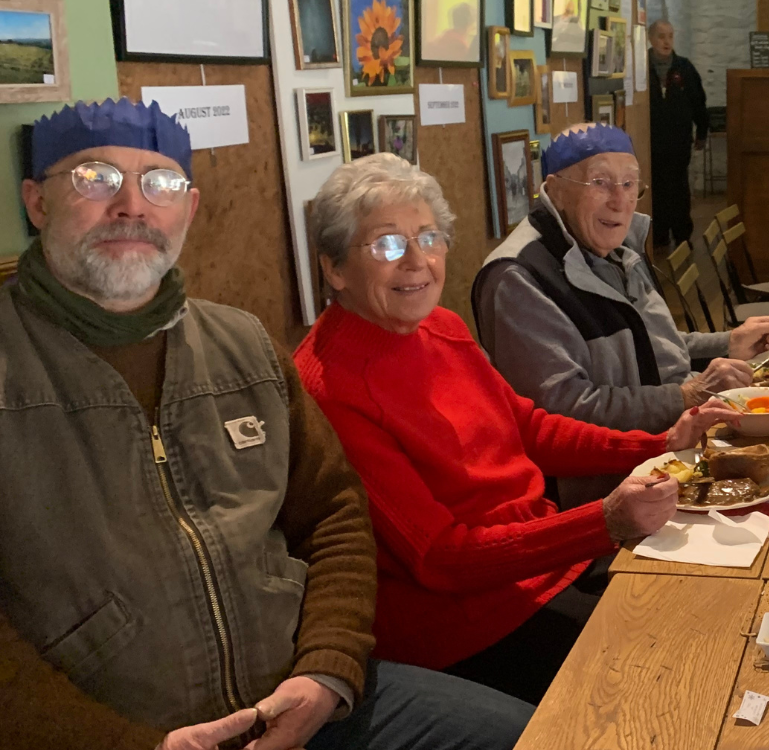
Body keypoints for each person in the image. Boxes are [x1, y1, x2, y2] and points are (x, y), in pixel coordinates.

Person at [1, 99, 531, 750]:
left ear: (188, 210)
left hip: (307, 702)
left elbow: (334, 514)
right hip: (123, 736)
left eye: (161, 183)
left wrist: (327, 670)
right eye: (96, 178)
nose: (133, 205)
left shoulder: (243, 346)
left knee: (547, 735)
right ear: (36, 202)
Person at [295, 152, 741, 706]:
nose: (417, 262)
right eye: (387, 245)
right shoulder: (331, 386)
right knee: (670, 682)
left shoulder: (440, 325)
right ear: (335, 268)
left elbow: (528, 428)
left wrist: (658, 443)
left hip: (546, 567)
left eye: (429, 238)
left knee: (715, 618)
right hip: (469, 624)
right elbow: (441, 557)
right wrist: (602, 522)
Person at [472, 123, 769, 475]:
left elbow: (643, 344)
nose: (620, 201)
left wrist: (728, 343)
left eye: (629, 183)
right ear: (554, 190)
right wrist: (686, 396)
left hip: (666, 455)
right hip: (600, 488)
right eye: (599, 183)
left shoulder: (611, 247)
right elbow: (562, 411)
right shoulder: (519, 277)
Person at [646, 19, 708, 250]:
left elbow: (698, 102)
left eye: (670, 36)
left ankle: (682, 235)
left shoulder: (684, 67)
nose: (666, 41)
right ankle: (659, 234)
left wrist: (702, 131)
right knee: (657, 188)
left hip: (679, 141)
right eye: (661, 36)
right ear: (651, 39)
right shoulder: (642, 66)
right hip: (651, 141)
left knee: (679, 188)